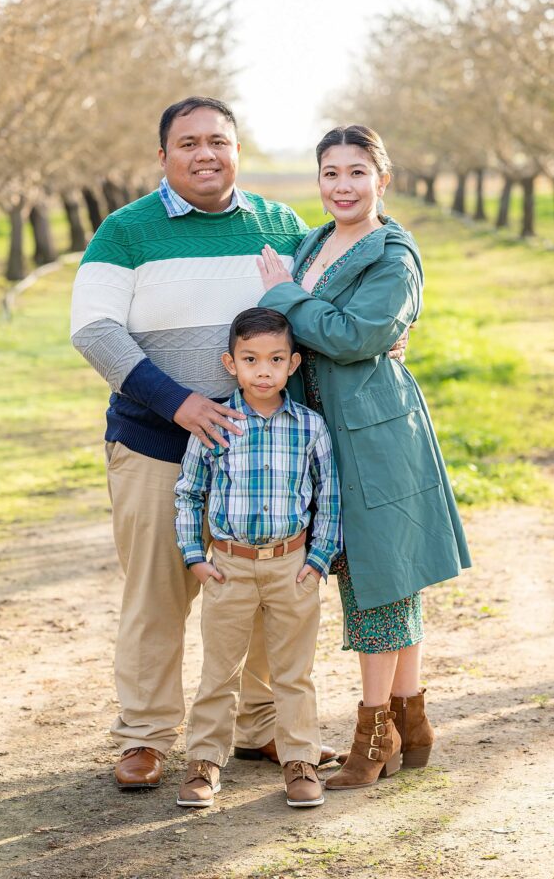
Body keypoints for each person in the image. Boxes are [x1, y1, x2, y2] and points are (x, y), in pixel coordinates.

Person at [70, 97, 341, 789]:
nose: (204, 154)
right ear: (162, 157)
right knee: (158, 593)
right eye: (187, 143)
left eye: (217, 141)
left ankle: (258, 727)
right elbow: (94, 330)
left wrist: (385, 333)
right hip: (157, 443)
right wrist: (180, 404)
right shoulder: (125, 231)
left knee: (257, 589)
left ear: (236, 151)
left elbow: (322, 308)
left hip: (264, 456)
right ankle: (146, 735)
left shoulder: (277, 226)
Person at [257, 124, 472, 789]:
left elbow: (355, 337)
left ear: (382, 179)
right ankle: (413, 726)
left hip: (375, 438)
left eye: (355, 172)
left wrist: (284, 295)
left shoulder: (392, 255)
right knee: (380, 575)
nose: (341, 186)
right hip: (318, 437)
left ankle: (372, 735)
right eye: (329, 173)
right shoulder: (311, 243)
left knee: (377, 581)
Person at [173, 308, 343, 809]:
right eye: (250, 359)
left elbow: (328, 499)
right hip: (227, 565)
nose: (262, 370)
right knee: (220, 671)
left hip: (291, 565)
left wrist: (317, 558)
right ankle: (204, 763)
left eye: (274, 359)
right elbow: (189, 493)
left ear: (293, 364)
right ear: (231, 363)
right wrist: (194, 556)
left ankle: (300, 761)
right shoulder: (216, 422)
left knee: (293, 671)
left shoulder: (310, 427)